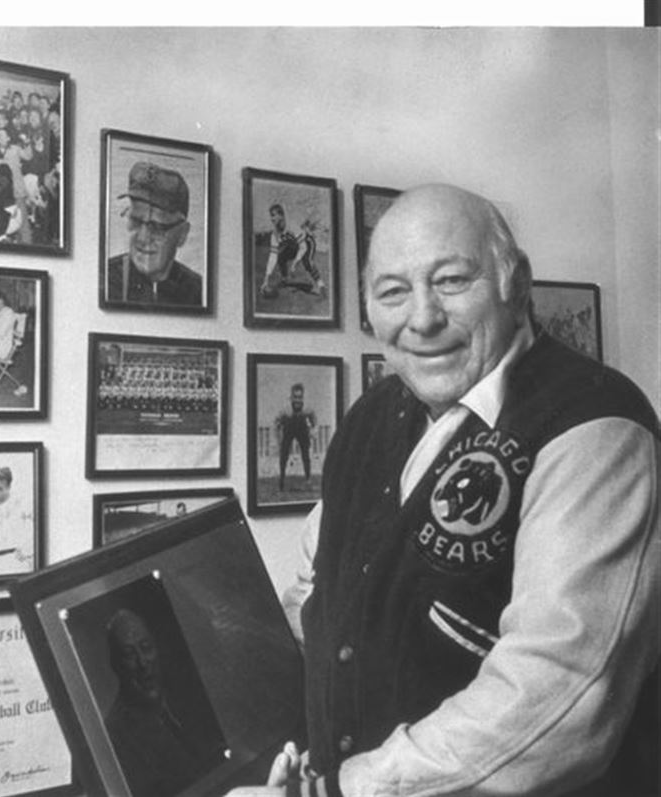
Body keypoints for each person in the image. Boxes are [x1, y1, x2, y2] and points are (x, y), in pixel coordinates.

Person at [231, 184, 660, 797]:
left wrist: (335, 791)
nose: (423, 318)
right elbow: (318, 598)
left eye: (452, 281)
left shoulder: (596, 425)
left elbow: (562, 693)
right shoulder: (368, 419)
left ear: (516, 283)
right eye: (393, 292)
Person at [104, 609, 216, 797]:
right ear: (115, 664)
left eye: (146, 647)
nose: (143, 662)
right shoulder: (115, 738)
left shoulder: (190, 695)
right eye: (129, 654)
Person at [106, 161, 202, 307]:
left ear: (182, 234)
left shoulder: (197, 290)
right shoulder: (106, 278)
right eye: (136, 221)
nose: (143, 238)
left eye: (157, 227)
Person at [257, 203, 326, 297]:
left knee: (307, 261)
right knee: (281, 257)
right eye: (271, 216)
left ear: (281, 215)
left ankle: (321, 286)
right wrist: (266, 280)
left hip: (307, 242)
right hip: (295, 245)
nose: (271, 219)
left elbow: (303, 247)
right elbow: (273, 256)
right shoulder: (274, 234)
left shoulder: (292, 226)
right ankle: (285, 279)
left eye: (273, 215)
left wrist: (295, 263)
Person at [0, 466, 34, 576]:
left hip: (14, 562)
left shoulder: (21, 504)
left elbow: (38, 528)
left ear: (8, 487)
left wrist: (27, 550)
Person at [274, 384, 317, 492]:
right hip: (289, 428)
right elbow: (276, 423)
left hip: (301, 429)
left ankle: (308, 479)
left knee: (305, 454)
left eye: (300, 397)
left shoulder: (307, 409)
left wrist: (313, 430)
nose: (298, 400)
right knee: (284, 454)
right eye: (295, 397)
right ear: (291, 397)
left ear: (303, 397)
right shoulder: (286, 410)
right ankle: (282, 480)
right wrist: (278, 438)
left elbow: (314, 420)